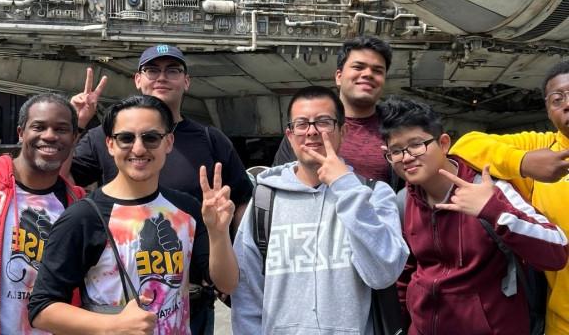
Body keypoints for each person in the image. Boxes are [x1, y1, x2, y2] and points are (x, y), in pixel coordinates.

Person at [69, 46, 252, 333]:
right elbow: (63, 179)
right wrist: (76, 123)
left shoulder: (210, 140)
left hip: (192, 299)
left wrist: (230, 258)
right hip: (120, 300)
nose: (161, 78)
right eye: (152, 70)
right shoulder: (107, 137)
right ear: (137, 80)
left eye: (172, 70)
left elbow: (240, 200)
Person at [28, 95, 239, 334]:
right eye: (126, 138)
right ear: (110, 144)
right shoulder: (83, 217)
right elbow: (42, 308)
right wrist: (113, 325)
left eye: (151, 138)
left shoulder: (188, 209)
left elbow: (226, 283)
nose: (138, 148)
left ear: (168, 142)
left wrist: (218, 233)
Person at [379, 95, 568, 335]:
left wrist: (493, 210)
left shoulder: (488, 189)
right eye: (396, 151)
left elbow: (557, 250)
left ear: (444, 143)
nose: (406, 157)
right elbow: (406, 273)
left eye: (416, 145)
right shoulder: (403, 201)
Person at [231, 86, 409, 334]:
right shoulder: (264, 199)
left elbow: (384, 273)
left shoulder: (375, 194)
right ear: (290, 135)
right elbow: (247, 292)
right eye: (302, 124)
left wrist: (345, 187)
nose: (312, 131)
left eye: (324, 122)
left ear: (343, 131)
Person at [449, 60, 569, 335]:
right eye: (557, 99)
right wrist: (524, 162)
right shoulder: (543, 146)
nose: (566, 104)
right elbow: (467, 145)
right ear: (549, 111)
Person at [0, 93, 85, 335]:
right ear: (21, 133)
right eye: (39, 126)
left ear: (75, 138)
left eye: (61, 129)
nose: (50, 135)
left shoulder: (79, 205)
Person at [273, 36, 398, 187]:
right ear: (339, 77)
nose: (368, 74)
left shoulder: (396, 131)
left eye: (377, 70)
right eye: (358, 67)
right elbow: (280, 184)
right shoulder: (303, 130)